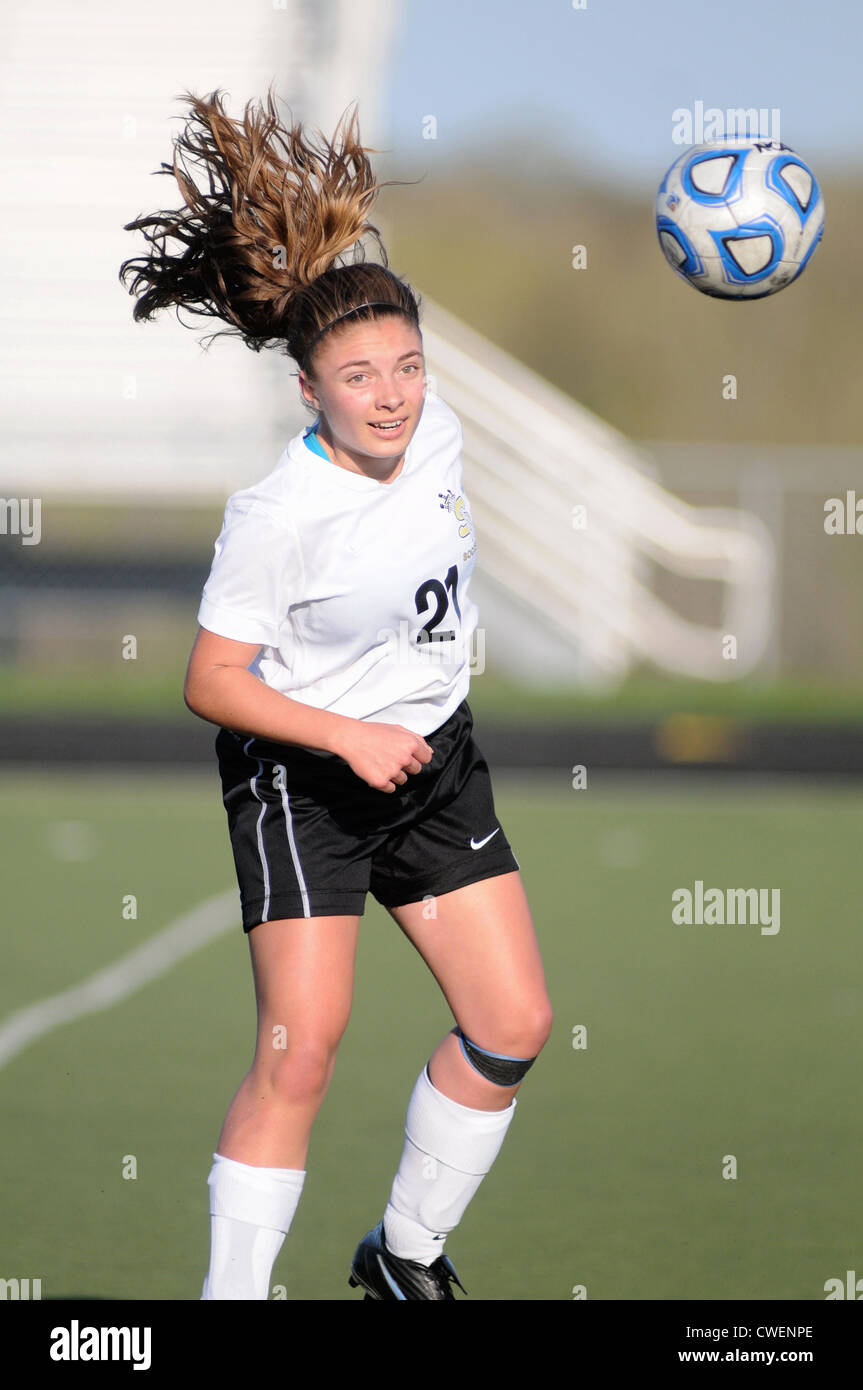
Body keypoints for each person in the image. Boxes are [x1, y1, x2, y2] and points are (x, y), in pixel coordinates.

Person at [120, 87, 553, 1301]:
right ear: (306, 388)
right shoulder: (275, 515)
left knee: (511, 1023)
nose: (391, 393)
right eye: (357, 374)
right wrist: (342, 735)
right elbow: (210, 680)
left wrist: (396, 732)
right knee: (298, 1049)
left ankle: (401, 1254)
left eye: (406, 365)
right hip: (303, 777)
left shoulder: (443, 431)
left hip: (432, 760)